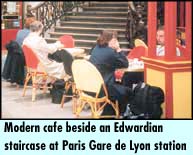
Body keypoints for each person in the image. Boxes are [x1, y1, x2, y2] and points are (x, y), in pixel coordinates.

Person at [89, 30, 134, 116]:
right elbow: (125, 64)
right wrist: (118, 49)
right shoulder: (110, 52)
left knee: (120, 83)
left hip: (91, 86)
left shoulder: (96, 48)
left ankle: (111, 111)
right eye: (115, 40)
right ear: (111, 40)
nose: (116, 42)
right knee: (128, 91)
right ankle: (124, 114)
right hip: (104, 89)